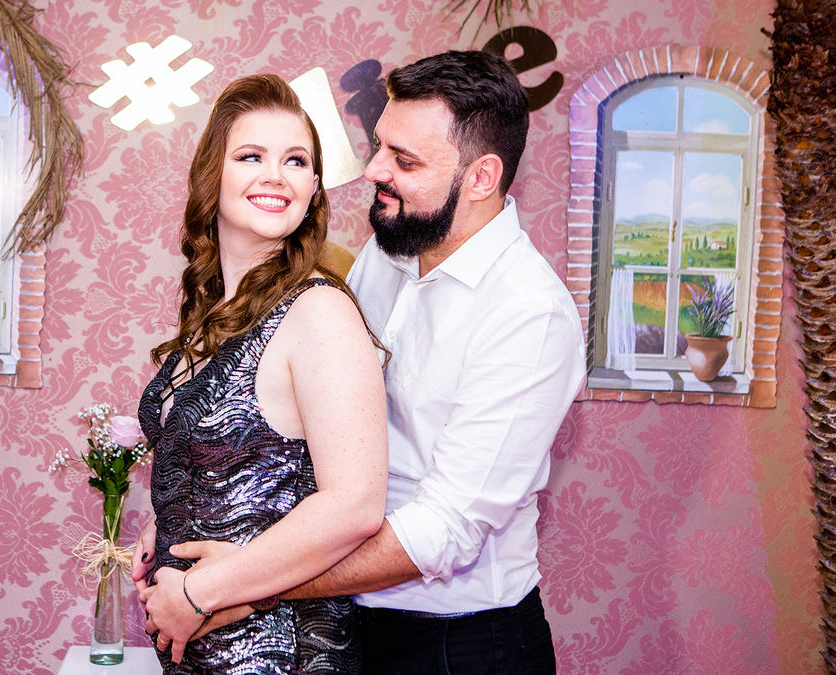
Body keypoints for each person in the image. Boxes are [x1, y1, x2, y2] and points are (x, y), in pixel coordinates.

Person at [161, 51, 587, 674]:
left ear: (481, 177)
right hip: (346, 619)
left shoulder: (530, 314)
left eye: (404, 160)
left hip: (457, 644)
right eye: (381, 145)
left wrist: (241, 585)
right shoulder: (389, 253)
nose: (374, 170)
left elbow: (442, 530)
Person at [133, 73, 389, 674]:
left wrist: (195, 594)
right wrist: (169, 515)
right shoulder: (214, 310)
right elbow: (238, 459)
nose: (276, 175)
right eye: (252, 156)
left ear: (313, 188)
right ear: (212, 175)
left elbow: (355, 505)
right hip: (200, 650)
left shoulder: (318, 310)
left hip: (279, 652)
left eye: (296, 161)